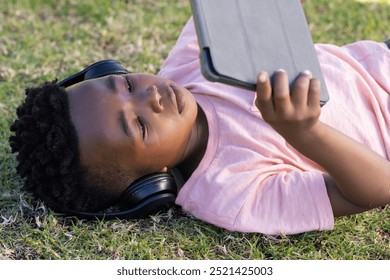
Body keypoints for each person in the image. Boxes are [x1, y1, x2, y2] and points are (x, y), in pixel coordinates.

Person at [9, 16, 390, 235]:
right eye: (140, 126)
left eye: (126, 84)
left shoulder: (188, 67)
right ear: (151, 182)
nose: (152, 96)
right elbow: (374, 190)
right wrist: (306, 134)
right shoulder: (233, 193)